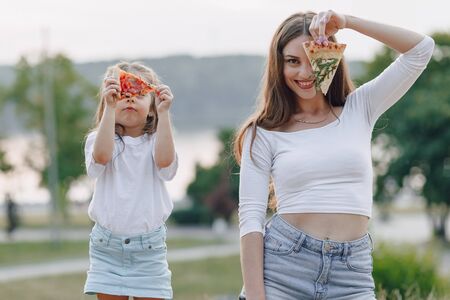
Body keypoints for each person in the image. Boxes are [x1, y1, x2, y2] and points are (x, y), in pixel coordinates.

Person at [234, 10, 434, 300]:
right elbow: (250, 219)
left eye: (313, 57)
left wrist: (348, 22)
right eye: (292, 61)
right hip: (284, 270)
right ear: (279, 65)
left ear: (332, 57)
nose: (304, 73)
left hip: (351, 274)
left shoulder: (360, 108)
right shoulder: (262, 132)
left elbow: (421, 50)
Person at [83, 62, 178, 300]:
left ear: (152, 107)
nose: (130, 99)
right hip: (107, 248)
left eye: (138, 94)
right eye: (122, 94)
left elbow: (166, 163)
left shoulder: (157, 141)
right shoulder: (98, 139)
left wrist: (165, 115)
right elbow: (102, 157)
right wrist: (109, 108)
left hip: (149, 249)